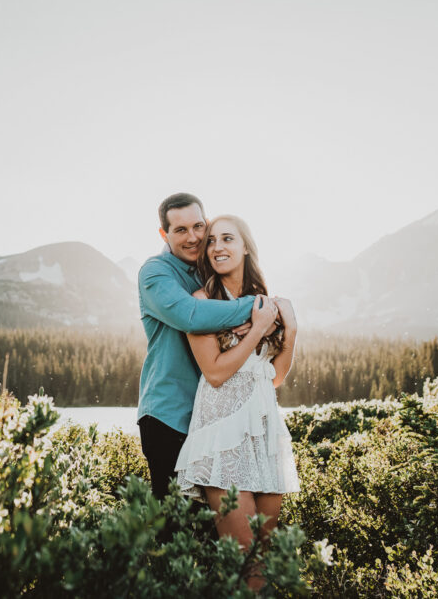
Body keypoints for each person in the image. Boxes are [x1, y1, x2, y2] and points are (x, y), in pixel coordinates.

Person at [174, 214, 300, 591]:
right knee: (243, 556)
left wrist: (289, 330)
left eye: (227, 238)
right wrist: (259, 329)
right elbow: (214, 372)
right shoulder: (200, 303)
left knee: (265, 559)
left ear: (246, 246)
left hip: (263, 436)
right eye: (211, 241)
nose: (216, 247)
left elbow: (274, 377)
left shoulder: (265, 302)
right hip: (222, 437)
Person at [137, 193, 270, 500]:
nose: (194, 237)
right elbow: (192, 316)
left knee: (216, 529)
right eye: (181, 230)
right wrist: (257, 309)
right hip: (169, 415)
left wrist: (264, 315)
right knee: (174, 526)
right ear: (164, 234)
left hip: (214, 418)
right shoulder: (155, 273)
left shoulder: (210, 269)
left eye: (199, 226)